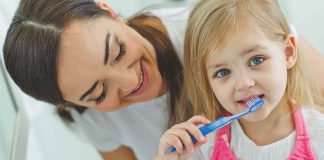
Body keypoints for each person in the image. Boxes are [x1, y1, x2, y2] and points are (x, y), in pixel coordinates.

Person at [2, 0, 323, 160]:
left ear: (108, 10)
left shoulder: (219, 36)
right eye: (99, 93)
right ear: (73, 103)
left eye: (116, 51)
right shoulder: (90, 118)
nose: (129, 81)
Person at [159, 0, 324, 159]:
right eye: (223, 72)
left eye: (256, 60)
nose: (243, 83)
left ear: (288, 52)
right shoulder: (202, 146)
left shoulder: (320, 135)